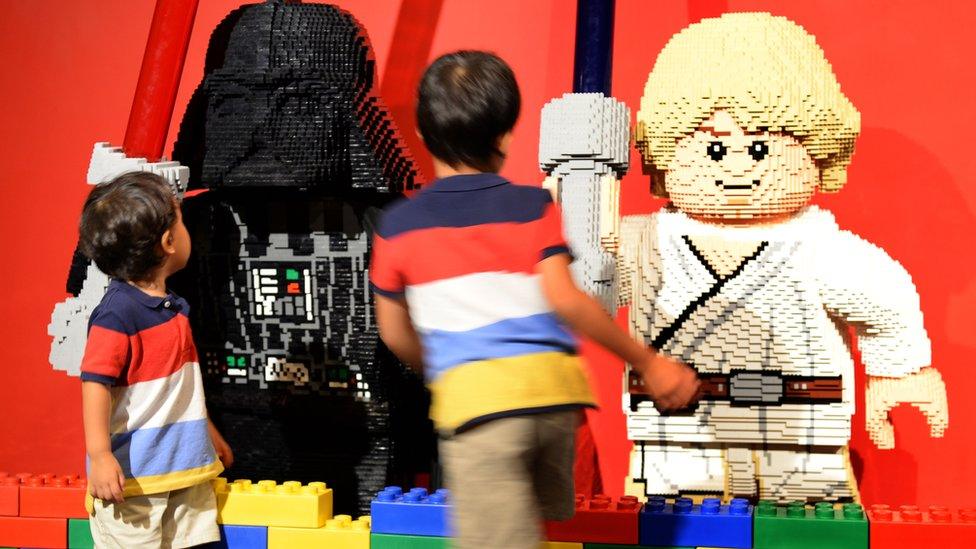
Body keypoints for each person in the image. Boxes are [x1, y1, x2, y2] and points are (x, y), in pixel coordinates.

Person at [369, 50, 700, 549]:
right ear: (505, 135)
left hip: (482, 415)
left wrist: (442, 369)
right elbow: (567, 301)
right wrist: (648, 363)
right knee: (539, 528)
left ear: (421, 133)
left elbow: (394, 333)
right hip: (554, 406)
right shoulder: (532, 206)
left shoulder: (398, 227)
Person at [78, 172, 233, 548]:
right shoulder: (117, 315)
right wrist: (99, 455)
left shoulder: (173, 310)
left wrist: (207, 434)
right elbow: (95, 383)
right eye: (181, 222)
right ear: (168, 242)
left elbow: (180, 387)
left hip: (186, 471)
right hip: (133, 482)